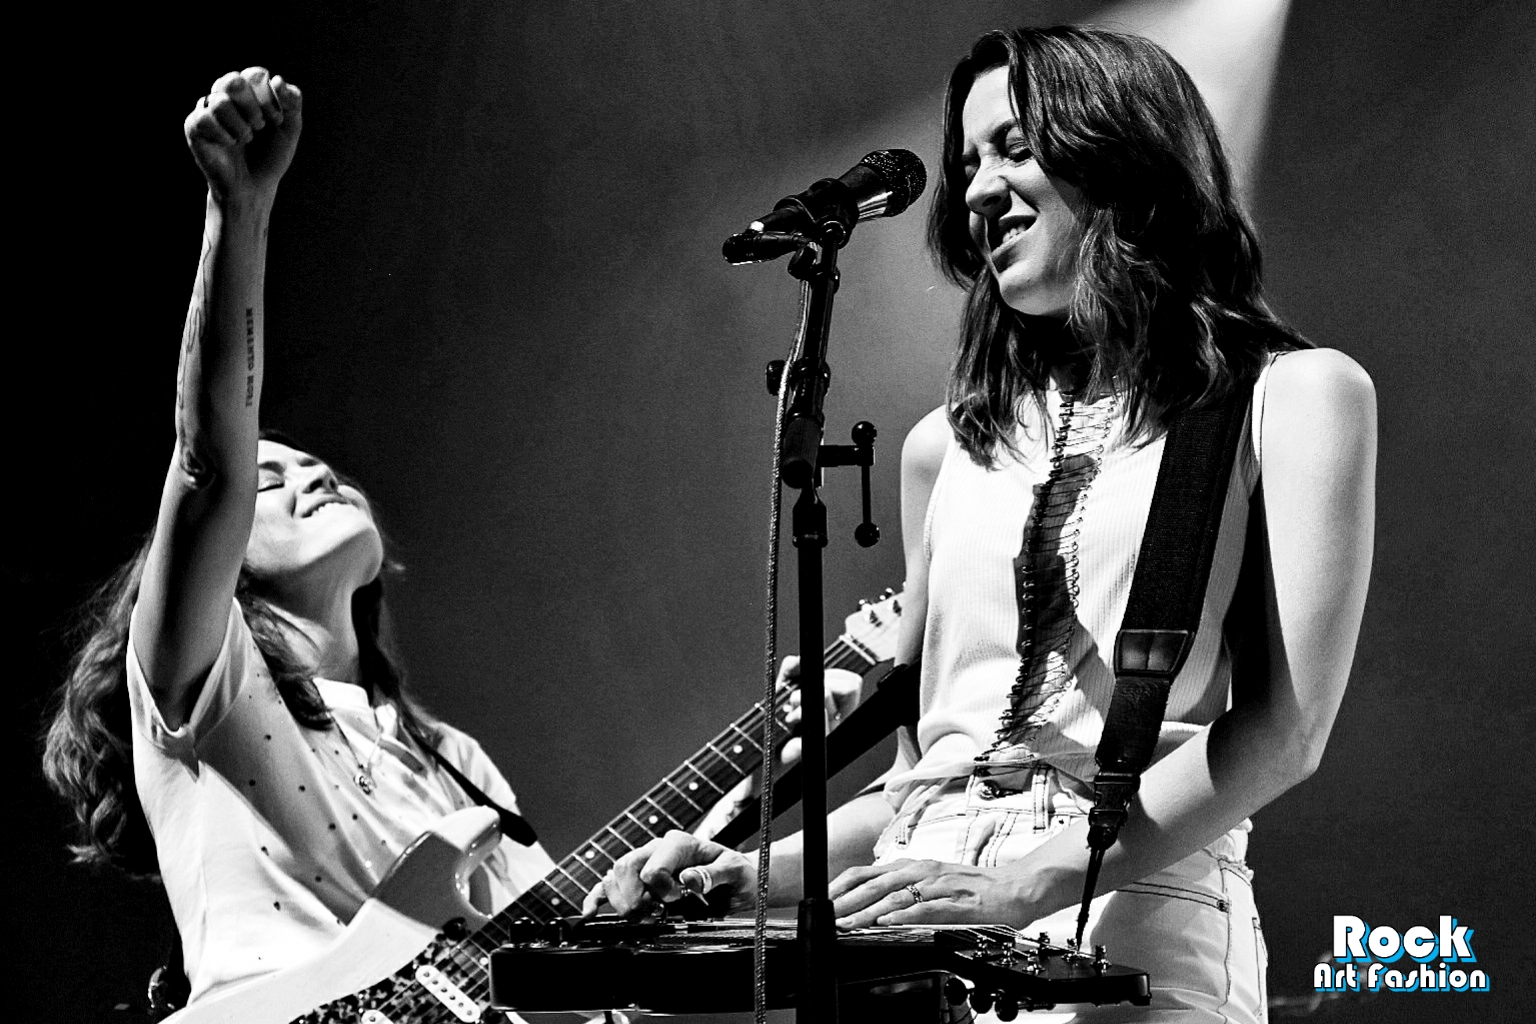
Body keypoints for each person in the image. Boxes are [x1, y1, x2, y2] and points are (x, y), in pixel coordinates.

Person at [587, 26, 1376, 1023]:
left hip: (1125, 912)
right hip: (912, 924)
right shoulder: (943, 447)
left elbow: (1285, 733)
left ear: (1122, 155)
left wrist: (1026, 881)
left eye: (1014, 148)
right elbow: (924, 781)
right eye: (967, 162)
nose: (977, 189)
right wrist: (756, 874)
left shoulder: (1293, 397)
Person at [41, 68, 558, 1008]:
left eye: (320, 468)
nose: (315, 476)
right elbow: (209, 464)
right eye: (270, 483)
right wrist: (239, 209)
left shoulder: (457, 760)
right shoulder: (209, 679)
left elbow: (559, 962)